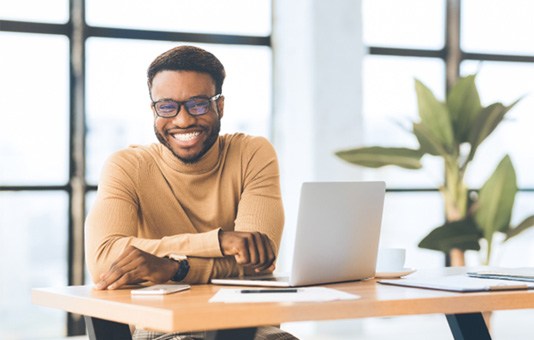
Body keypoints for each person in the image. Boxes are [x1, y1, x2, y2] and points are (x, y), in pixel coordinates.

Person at [85, 45, 297, 340]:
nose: (183, 120)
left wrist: (173, 268)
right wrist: (219, 241)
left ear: (219, 106)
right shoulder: (127, 166)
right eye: (167, 106)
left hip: (248, 326)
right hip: (166, 330)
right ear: (154, 110)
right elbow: (104, 260)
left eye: (198, 104)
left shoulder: (252, 153)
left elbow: (256, 263)